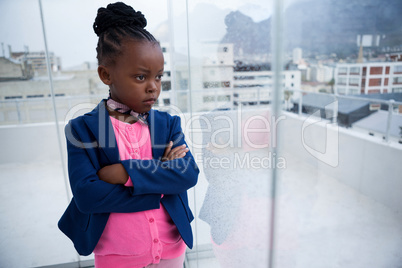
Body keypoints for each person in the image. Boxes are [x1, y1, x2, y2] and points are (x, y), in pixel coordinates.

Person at [58, 2, 199, 267]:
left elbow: (188, 174)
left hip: (172, 248)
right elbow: (87, 196)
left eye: (158, 77)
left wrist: (125, 174)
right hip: (118, 256)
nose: (153, 88)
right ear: (106, 74)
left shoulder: (168, 124)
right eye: (140, 77)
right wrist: (158, 183)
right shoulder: (82, 130)